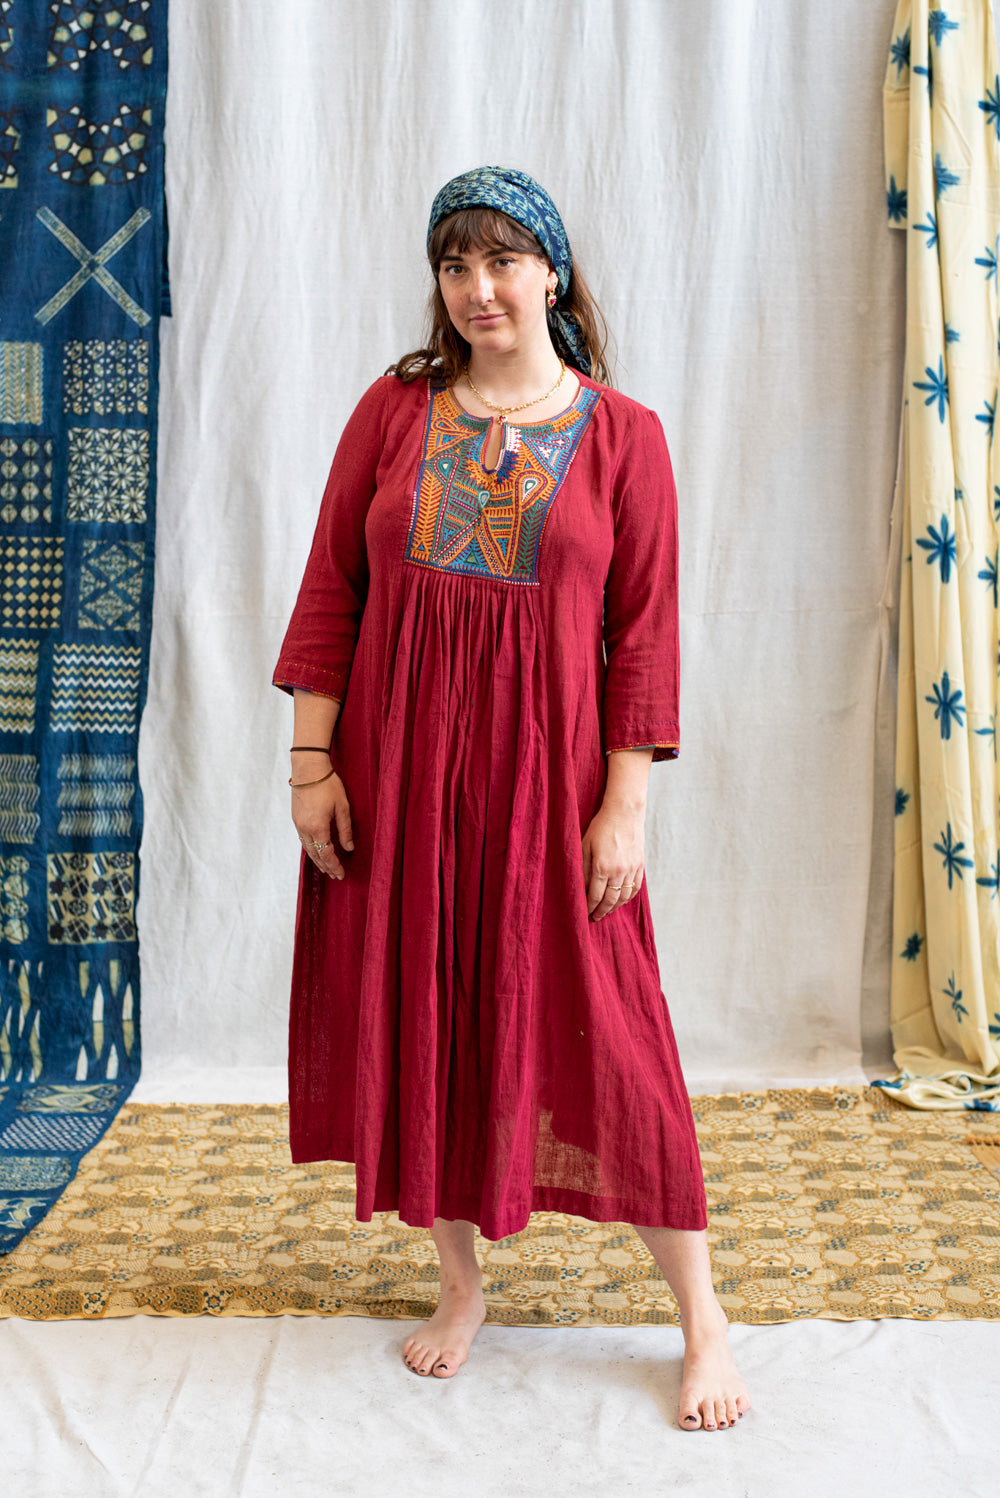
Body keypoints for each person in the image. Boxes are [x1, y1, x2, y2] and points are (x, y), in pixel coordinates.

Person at [272, 165, 750, 1431]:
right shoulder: (394, 411)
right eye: (454, 265)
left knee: (615, 1033)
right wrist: (312, 767)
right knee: (423, 1011)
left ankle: (701, 1317)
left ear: (550, 272)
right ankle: (459, 1285)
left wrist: (623, 804)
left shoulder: (624, 434)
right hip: (399, 776)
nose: (477, 288)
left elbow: (643, 635)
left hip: (549, 785)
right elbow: (331, 590)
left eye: (500, 261)